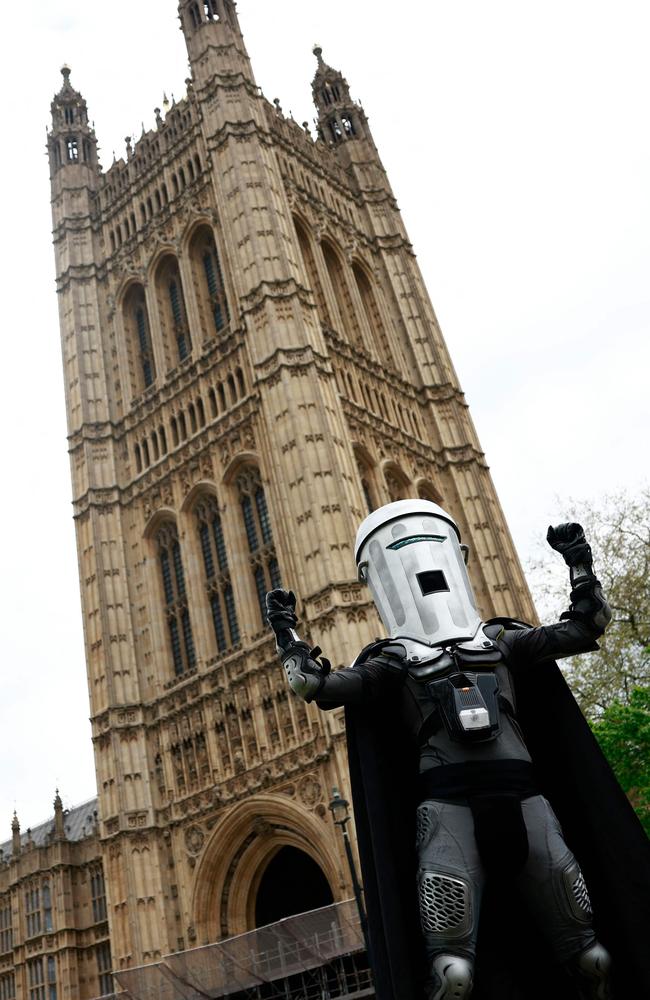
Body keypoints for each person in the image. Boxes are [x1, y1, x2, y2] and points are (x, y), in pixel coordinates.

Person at [266, 500, 648, 1000]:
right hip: (450, 811)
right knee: (454, 975)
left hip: (525, 803)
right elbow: (315, 685)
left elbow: (587, 625)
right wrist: (287, 633)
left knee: (591, 955)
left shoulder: (500, 640)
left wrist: (579, 564)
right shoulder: (394, 661)